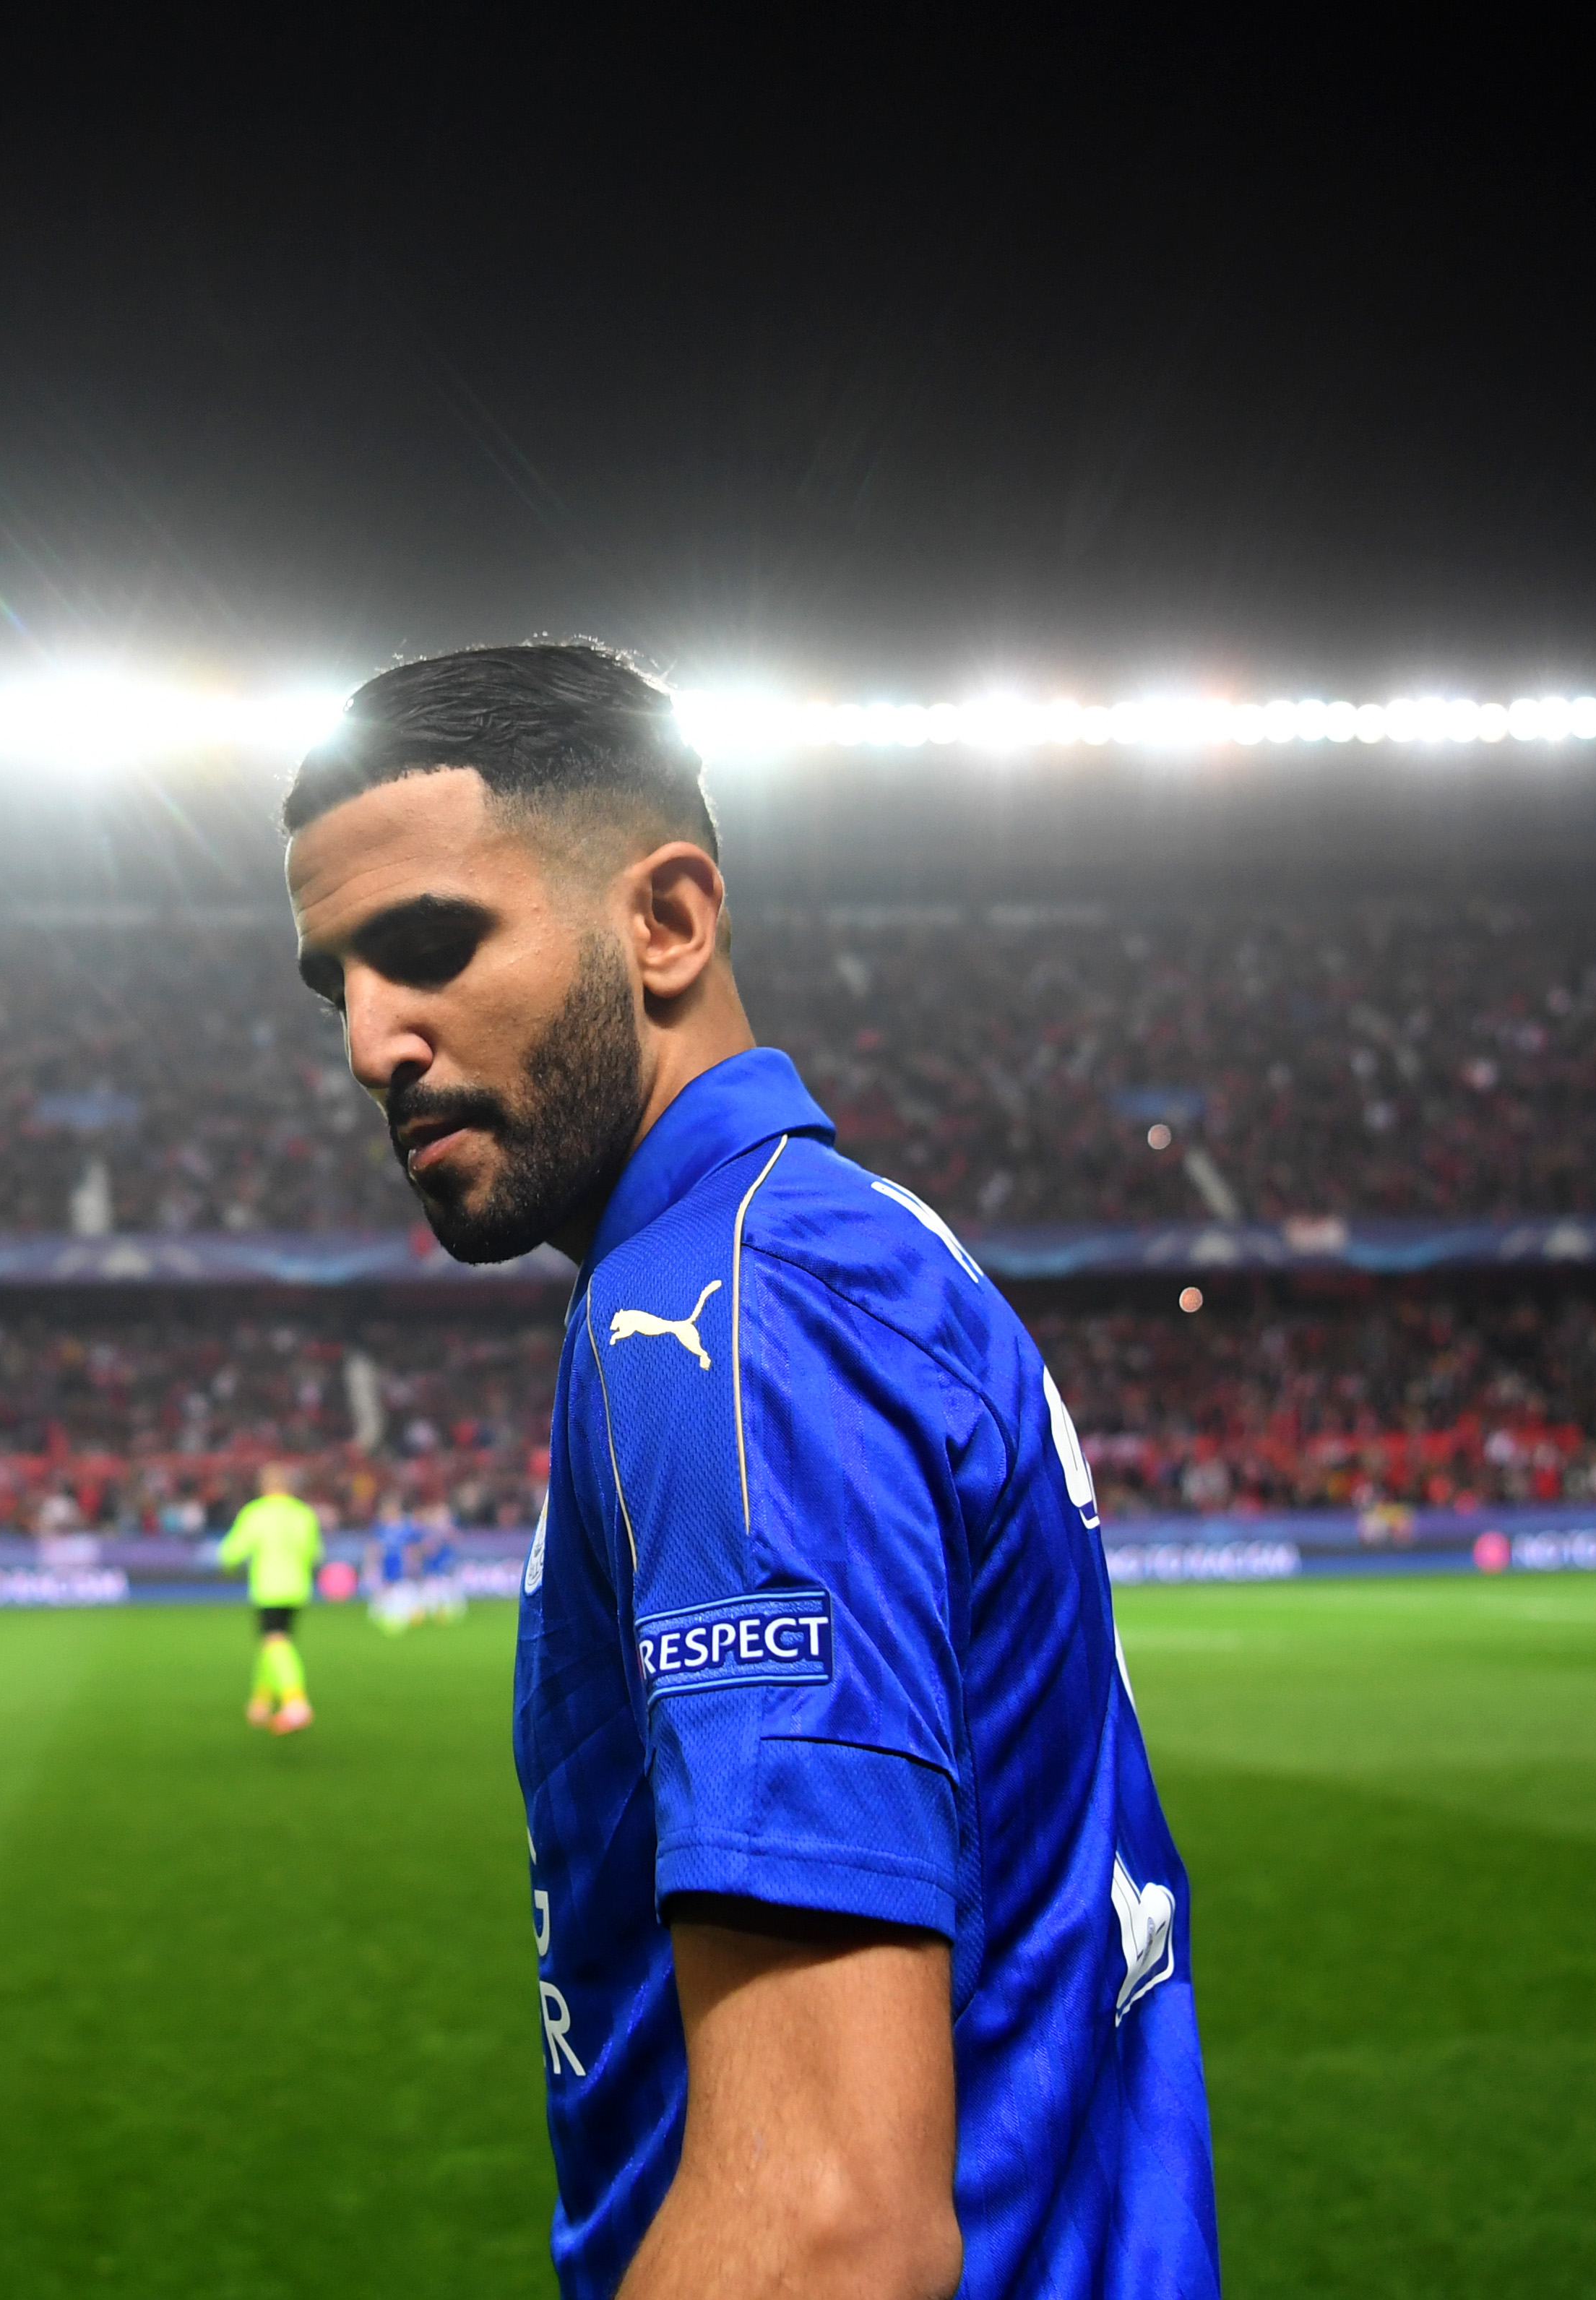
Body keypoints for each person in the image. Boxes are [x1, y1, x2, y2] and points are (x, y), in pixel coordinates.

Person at [287, 642, 1217, 2297]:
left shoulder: (726, 1316)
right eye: (336, 980)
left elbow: (828, 2217)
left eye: (430, 944)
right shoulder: (821, 1244)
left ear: (667, 919)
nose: (373, 1040)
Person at [217, 1463, 324, 1733]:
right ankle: (261, 1701)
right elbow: (315, 1553)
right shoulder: (303, 1514)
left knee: (275, 1641)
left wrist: (227, 1565)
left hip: (269, 1587)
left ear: (264, 1486)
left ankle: (296, 1703)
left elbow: (232, 1552)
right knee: (274, 1643)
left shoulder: (257, 1513)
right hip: (298, 1588)